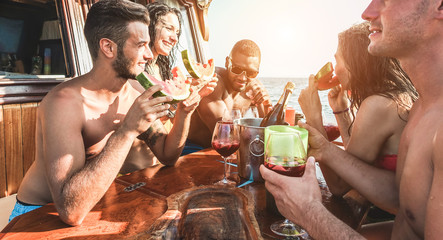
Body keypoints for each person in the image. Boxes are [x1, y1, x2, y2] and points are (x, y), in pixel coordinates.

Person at [12, 0, 213, 226]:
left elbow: (168, 155)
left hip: (90, 204)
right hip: (37, 215)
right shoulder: (64, 104)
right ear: (108, 47)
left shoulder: (134, 92)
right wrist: (127, 131)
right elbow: (70, 211)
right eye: (141, 45)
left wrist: (185, 113)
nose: (149, 54)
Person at [261, 0, 443, 239]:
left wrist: (308, 211)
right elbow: (401, 198)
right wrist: (326, 149)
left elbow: (337, 187)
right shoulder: (423, 105)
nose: (367, 12)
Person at [298, 21, 417, 197]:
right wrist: (341, 109)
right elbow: (354, 164)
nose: (335, 70)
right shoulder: (396, 96)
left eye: (338, 60)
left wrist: (314, 117)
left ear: (356, 63)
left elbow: (339, 185)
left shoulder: (380, 104)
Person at [186, 39, 271, 151]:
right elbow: (224, 134)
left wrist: (266, 105)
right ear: (227, 62)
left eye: (251, 72)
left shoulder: (253, 87)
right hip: (195, 149)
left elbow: (268, 130)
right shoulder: (213, 83)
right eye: (237, 69)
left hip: (232, 149)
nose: (243, 77)